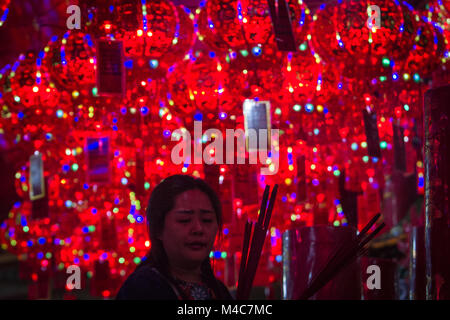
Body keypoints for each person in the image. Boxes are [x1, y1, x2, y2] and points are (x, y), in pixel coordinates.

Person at [116, 174, 233, 300]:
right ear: (158, 229)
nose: (198, 229)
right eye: (185, 220)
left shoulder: (219, 291)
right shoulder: (141, 288)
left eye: (207, 220)